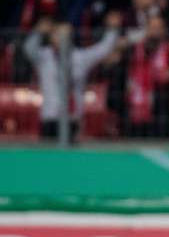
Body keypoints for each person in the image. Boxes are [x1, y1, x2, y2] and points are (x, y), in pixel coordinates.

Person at [23, 11, 122, 140]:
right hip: (50, 116)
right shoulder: (44, 56)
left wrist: (113, 30)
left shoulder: (80, 57)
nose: (63, 37)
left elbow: (103, 49)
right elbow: (28, 49)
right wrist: (38, 32)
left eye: (67, 34)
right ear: (52, 36)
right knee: (47, 157)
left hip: (72, 118)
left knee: (69, 158)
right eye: (59, 33)